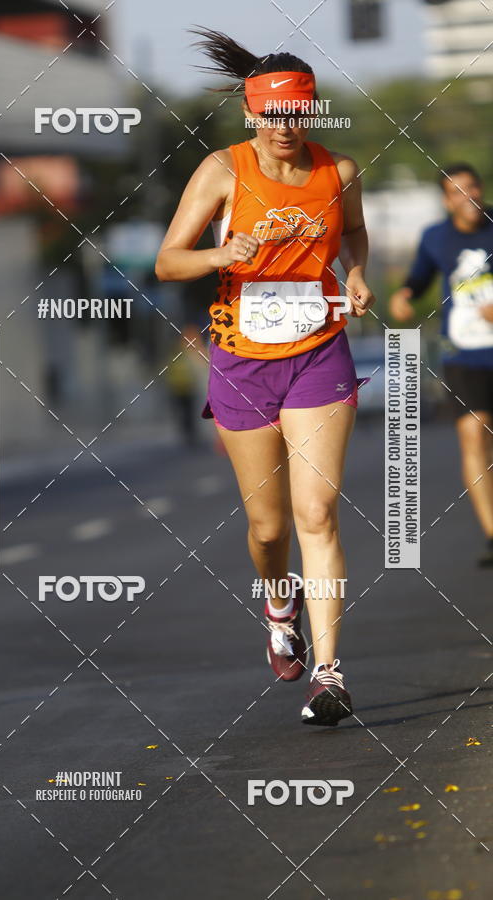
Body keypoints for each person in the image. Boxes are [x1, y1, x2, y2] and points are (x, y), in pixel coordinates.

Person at [155, 29, 375, 726]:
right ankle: (280, 603)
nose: (283, 126)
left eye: (296, 112)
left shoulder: (338, 171)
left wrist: (357, 274)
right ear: (251, 112)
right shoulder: (222, 170)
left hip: (318, 352)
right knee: (268, 524)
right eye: (271, 114)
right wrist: (221, 253)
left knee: (318, 513)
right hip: (242, 360)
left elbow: (354, 233)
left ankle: (330, 673)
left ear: (311, 109)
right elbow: (167, 261)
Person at [389, 164, 493, 567]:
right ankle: (491, 534)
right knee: (473, 435)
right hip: (462, 353)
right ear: (447, 201)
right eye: (457, 192)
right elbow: (419, 276)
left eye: (472, 187)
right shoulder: (435, 237)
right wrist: (404, 294)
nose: (468, 197)